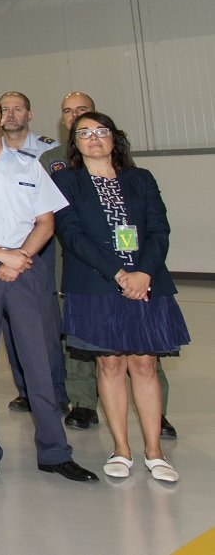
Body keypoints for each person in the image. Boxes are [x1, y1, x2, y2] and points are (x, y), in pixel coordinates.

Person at [0, 93, 96, 482]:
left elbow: (46, 222)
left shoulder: (30, 165)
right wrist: (2, 255)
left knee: (41, 363)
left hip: (26, 266)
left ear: (2, 117)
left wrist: (19, 257)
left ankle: (54, 451)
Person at [52, 111, 189, 482]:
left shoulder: (140, 179)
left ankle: (155, 453)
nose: (94, 138)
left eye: (101, 131)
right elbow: (73, 235)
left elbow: (159, 228)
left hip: (147, 284)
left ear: (114, 138)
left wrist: (142, 273)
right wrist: (118, 274)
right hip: (97, 285)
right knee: (110, 365)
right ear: (75, 142)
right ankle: (121, 450)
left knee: (144, 366)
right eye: (85, 133)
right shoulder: (66, 182)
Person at [0, 90, 68, 416]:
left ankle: (55, 390)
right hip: (0, 249)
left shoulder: (50, 152)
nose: (10, 115)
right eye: (4, 110)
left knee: (45, 322)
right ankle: (26, 391)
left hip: (41, 244)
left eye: (17, 109)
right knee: (11, 324)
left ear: (30, 114)